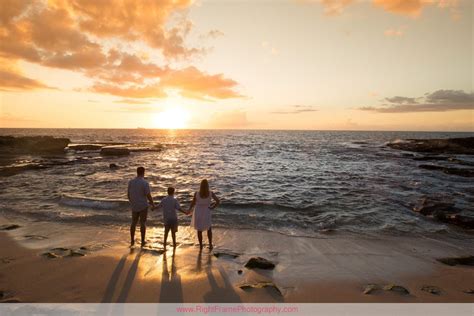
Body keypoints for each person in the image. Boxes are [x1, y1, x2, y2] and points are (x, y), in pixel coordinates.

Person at [188, 179, 220, 250]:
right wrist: (212, 207)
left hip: (198, 211)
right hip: (207, 211)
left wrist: (189, 210)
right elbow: (218, 201)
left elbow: (193, 203)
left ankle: (201, 245)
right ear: (207, 185)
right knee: (209, 228)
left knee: (199, 230)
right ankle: (210, 244)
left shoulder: (196, 193)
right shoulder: (210, 193)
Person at [127, 166, 154, 247]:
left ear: (137, 172)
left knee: (133, 223)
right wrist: (152, 203)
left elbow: (128, 194)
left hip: (134, 205)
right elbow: (148, 195)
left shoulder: (131, 182)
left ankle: (132, 240)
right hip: (143, 205)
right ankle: (142, 240)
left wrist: (132, 202)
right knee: (143, 223)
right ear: (143, 172)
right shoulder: (145, 183)